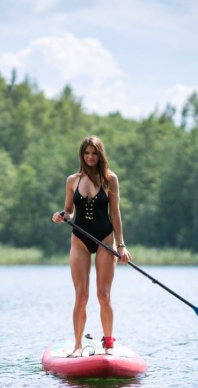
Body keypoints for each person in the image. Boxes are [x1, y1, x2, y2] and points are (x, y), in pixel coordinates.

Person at [51, 135, 131, 357]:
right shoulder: (72, 180)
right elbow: (69, 211)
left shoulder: (110, 179)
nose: (90, 157)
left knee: (104, 295)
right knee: (81, 295)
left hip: (105, 239)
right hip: (80, 240)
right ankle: (78, 346)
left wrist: (121, 245)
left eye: (94, 153)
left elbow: (115, 213)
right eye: (86, 153)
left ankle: (108, 344)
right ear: (82, 155)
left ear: (100, 155)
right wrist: (61, 216)